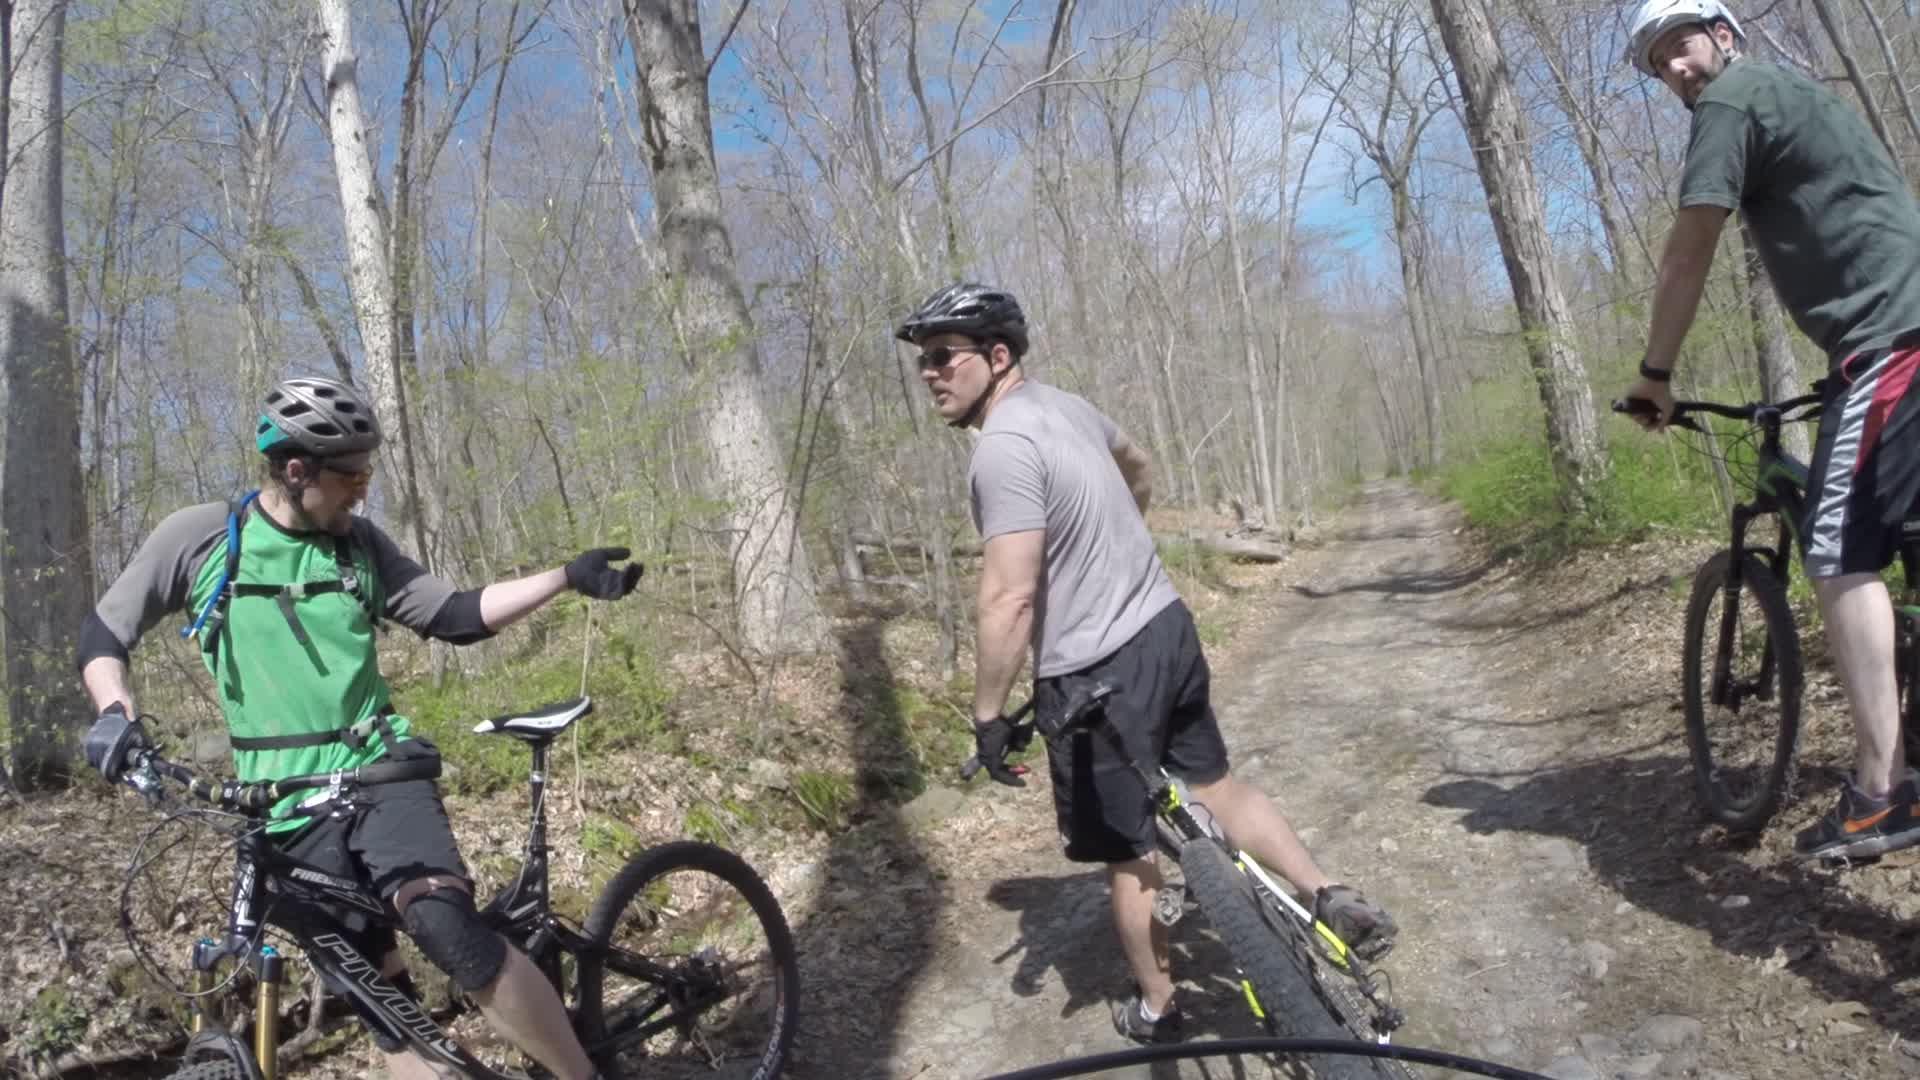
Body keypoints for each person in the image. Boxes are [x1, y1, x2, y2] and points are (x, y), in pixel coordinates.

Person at [78, 377, 641, 1079]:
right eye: (350, 476)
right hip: (279, 806)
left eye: (366, 473)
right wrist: (114, 713)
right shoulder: (202, 539)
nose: (362, 491)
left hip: (379, 773)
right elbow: (104, 634)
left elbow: (455, 614)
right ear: (296, 470)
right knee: (373, 994)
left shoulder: (358, 546)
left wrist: (563, 576)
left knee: (443, 927)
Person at [897, 283, 1398, 1043]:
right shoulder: (1067, 407)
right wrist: (1118, 538)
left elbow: (1008, 599)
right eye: (922, 362)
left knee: (1129, 857)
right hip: (1165, 627)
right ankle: (1326, 893)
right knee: (1214, 785)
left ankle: (1160, 1007)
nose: (930, 372)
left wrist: (988, 717)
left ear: (997, 358)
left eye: (943, 357)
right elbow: (1137, 464)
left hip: (1093, 669)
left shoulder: (1001, 449)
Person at [1622, 1, 1920, 858]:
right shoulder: (1796, 96)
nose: (1674, 67)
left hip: (1889, 339)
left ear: (1723, 34)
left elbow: (1691, 244)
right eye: (1656, 62)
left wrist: (1656, 376)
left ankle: (1879, 794)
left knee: (1837, 551)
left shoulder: (1734, 99)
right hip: (1894, 336)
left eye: (1680, 43)